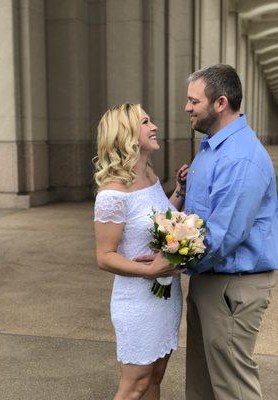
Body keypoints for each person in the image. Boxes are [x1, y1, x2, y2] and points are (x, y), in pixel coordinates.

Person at [183, 64, 277, 400]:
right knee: (204, 384)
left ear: (220, 102)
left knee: (233, 388)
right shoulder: (212, 147)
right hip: (210, 280)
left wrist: (170, 263)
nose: (187, 107)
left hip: (231, 285)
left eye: (194, 101)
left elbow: (223, 236)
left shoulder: (240, 158)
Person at [93, 103, 188, 400]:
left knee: (155, 377)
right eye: (145, 122)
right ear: (126, 135)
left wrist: (180, 192)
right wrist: (150, 270)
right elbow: (105, 256)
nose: (154, 126)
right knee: (134, 385)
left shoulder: (149, 176)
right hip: (137, 302)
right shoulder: (112, 194)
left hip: (165, 296)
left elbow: (160, 222)